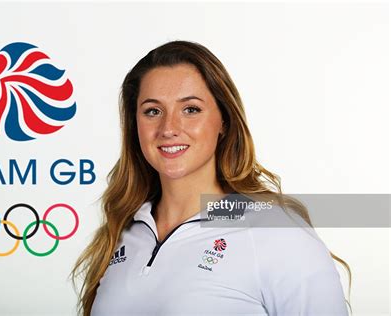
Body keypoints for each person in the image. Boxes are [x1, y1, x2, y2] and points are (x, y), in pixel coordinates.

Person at [70, 40, 352, 316]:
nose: (169, 128)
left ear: (224, 121)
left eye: (190, 109)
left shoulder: (275, 231)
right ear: (135, 125)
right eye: (152, 111)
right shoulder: (121, 230)